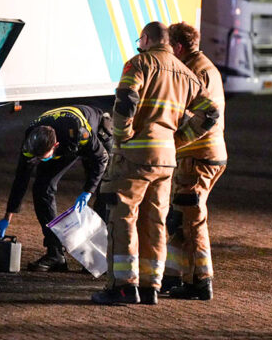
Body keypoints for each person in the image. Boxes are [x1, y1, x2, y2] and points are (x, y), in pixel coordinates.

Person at [91, 21, 220, 305]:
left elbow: (126, 99)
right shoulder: (187, 73)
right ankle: (150, 287)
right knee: (155, 223)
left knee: (123, 217)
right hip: (167, 160)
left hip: (135, 156)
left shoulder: (139, 63)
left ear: (147, 39)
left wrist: (122, 135)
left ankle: (123, 286)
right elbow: (210, 113)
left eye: (141, 40)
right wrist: (179, 140)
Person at [0, 105, 112, 272]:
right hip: (64, 143)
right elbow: (21, 179)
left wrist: (88, 191)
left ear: (56, 145)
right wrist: (7, 216)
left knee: (106, 188)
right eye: (38, 158)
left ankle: (99, 257)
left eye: (44, 157)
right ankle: (55, 253)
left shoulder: (80, 132)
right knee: (42, 188)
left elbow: (101, 159)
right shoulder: (30, 144)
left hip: (97, 131)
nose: (40, 161)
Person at [161, 22, 227, 300]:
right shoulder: (204, 66)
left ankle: (201, 281)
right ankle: (172, 276)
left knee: (192, 222)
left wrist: (174, 143)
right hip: (206, 156)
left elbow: (207, 116)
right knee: (180, 220)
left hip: (197, 159)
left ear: (177, 47)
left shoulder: (194, 71)